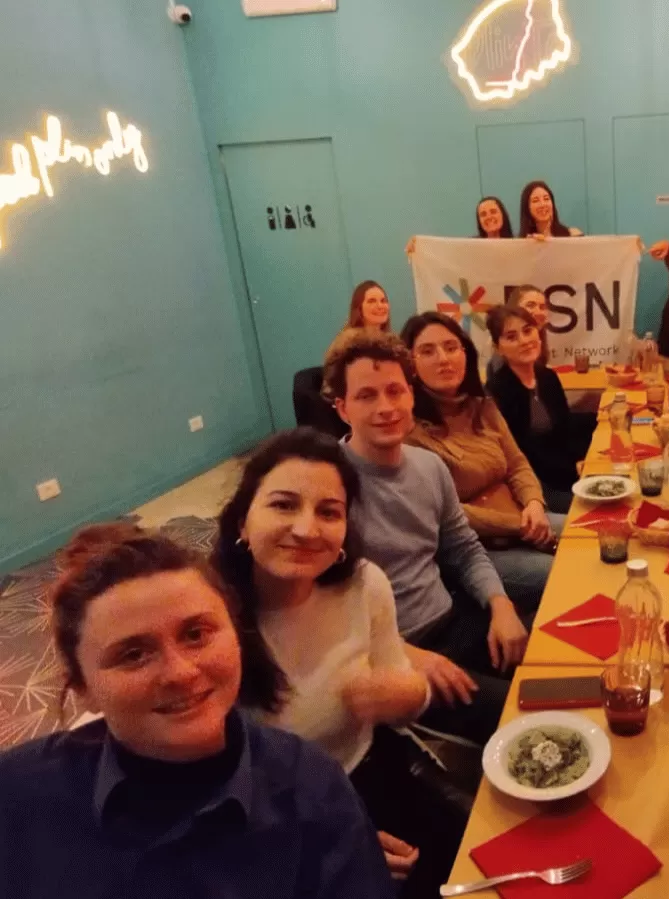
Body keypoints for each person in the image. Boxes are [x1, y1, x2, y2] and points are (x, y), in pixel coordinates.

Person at [0, 524, 394, 898]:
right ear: (83, 688)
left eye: (196, 634)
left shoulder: (312, 791)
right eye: (133, 655)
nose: (181, 673)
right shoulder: (19, 793)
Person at [211, 428, 467, 898]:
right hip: (275, 819)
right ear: (242, 523)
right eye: (284, 505)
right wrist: (330, 836)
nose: (307, 529)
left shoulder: (363, 584)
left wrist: (413, 692)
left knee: (475, 862)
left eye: (328, 512)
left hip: (371, 772)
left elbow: (404, 696)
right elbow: (207, 792)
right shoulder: (207, 620)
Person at [324, 329, 528, 747]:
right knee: (523, 720)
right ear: (342, 408)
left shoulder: (429, 467)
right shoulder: (327, 486)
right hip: (391, 654)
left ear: (411, 396)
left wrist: (501, 606)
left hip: (453, 619)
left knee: (557, 675)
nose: (386, 407)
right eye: (367, 396)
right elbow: (321, 607)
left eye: (395, 391)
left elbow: (465, 547)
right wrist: (408, 657)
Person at [399, 312, 562, 611]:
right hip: (473, 549)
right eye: (427, 351)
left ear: (465, 352)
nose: (443, 359)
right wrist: (518, 525)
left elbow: (517, 463)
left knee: (591, 535)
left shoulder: (481, 404)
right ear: (409, 364)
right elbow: (446, 515)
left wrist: (535, 505)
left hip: (521, 517)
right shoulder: (408, 431)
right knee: (566, 574)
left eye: (451, 347)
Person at [486, 306, 587, 514]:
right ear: (498, 348)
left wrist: (581, 461)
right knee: (592, 510)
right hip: (536, 486)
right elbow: (522, 456)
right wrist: (573, 470)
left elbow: (565, 429)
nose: (524, 341)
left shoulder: (547, 377)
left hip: (566, 472)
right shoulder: (497, 391)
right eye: (511, 337)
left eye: (528, 330)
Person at [485, 284, 550, 377]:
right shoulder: (501, 345)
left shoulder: (539, 339)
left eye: (542, 307)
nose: (538, 312)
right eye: (530, 305)